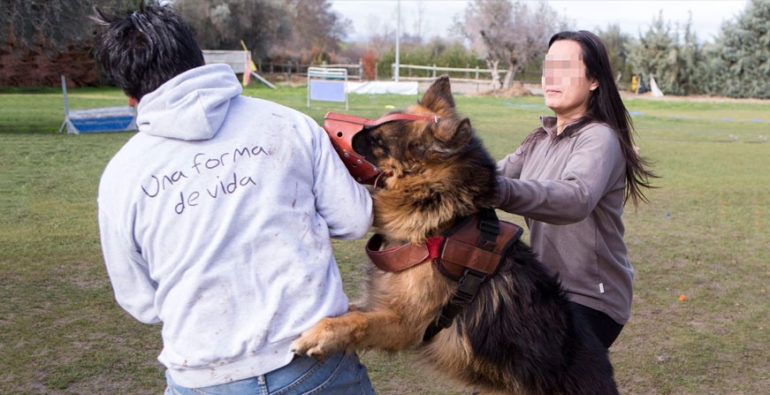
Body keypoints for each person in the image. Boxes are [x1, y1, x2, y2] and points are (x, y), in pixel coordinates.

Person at [93, 4, 375, 394]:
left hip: (202, 377)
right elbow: (354, 219)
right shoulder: (287, 123)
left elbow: (141, 302)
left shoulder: (120, 175)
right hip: (314, 365)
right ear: (199, 57)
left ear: (129, 91)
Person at [495, 30, 656, 349]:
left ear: (594, 79)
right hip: (546, 291)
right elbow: (490, 175)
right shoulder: (539, 140)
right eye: (547, 66)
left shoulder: (600, 138)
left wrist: (494, 189)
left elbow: (575, 198)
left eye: (565, 66)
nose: (551, 76)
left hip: (591, 300)